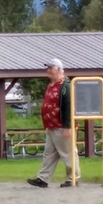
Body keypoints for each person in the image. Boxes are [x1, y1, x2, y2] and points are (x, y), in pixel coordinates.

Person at [27, 58, 81, 188]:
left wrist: (68, 126)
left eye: (50, 68)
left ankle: (73, 178)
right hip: (51, 126)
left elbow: (68, 107)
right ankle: (43, 178)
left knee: (68, 153)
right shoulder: (52, 85)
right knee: (49, 153)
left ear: (58, 69)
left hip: (62, 126)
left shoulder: (65, 86)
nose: (48, 70)